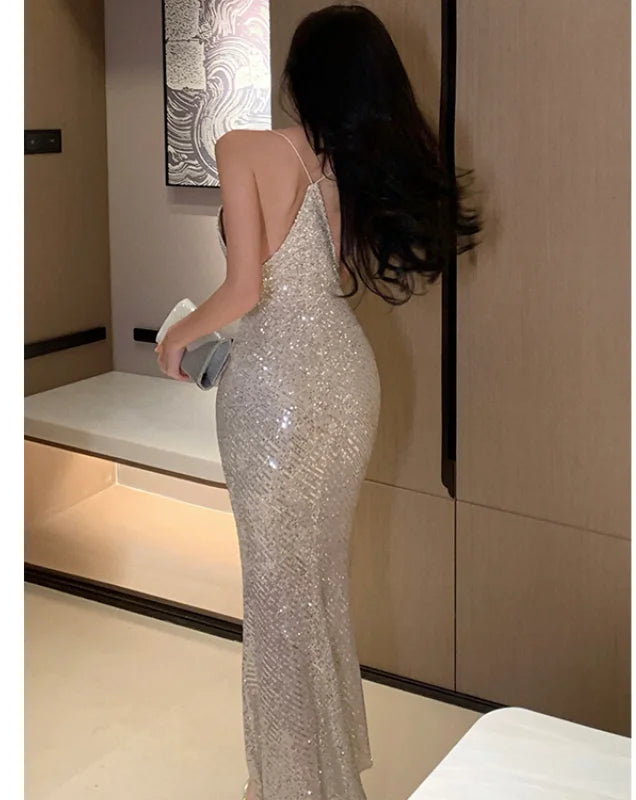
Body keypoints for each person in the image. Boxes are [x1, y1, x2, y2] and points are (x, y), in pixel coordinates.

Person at [154, 4, 482, 799]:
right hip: (345, 377)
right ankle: (318, 778)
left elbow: (244, 289)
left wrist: (176, 337)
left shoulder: (244, 148)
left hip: (276, 387)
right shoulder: (353, 164)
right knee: (316, 583)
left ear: (301, 76)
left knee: (276, 591)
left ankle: (293, 785)